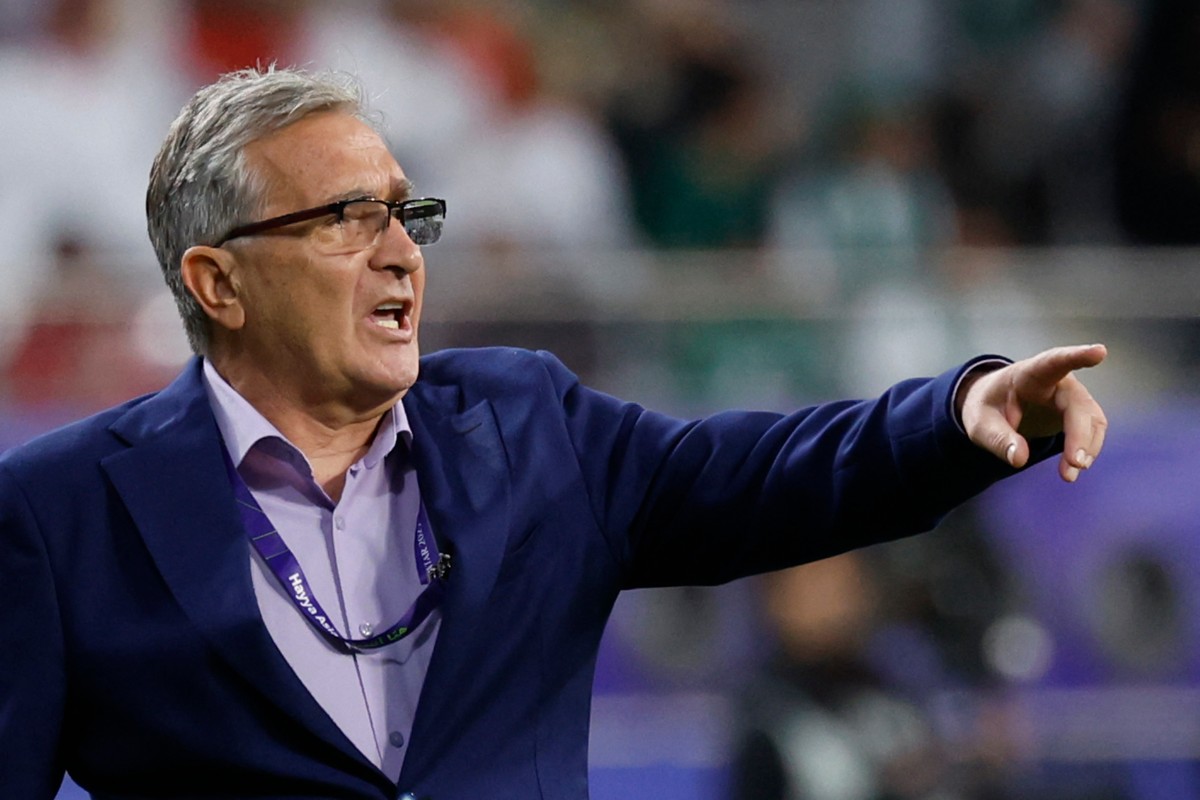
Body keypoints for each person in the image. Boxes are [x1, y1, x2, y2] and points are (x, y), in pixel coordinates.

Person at [0, 66, 1107, 800]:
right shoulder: (60, 514)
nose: (400, 251)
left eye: (407, 212)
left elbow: (760, 474)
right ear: (217, 280)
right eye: (346, 217)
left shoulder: (525, 423)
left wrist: (957, 413)